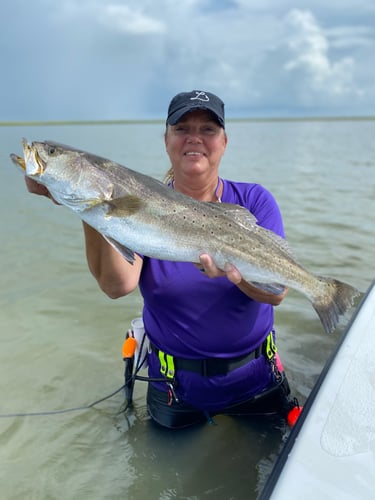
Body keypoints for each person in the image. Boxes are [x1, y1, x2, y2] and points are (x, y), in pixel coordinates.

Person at [25, 90, 299, 429]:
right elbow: (116, 286)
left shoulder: (254, 201)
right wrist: (89, 208)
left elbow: (277, 292)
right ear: (166, 139)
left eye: (208, 130)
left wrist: (237, 274)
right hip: (174, 390)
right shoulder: (140, 200)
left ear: (225, 142)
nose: (194, 138)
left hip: (257, 381)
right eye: (182, 128)